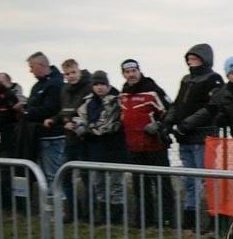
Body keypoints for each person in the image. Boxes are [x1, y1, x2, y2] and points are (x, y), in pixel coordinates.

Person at [161, 43, 223, 230]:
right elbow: (177, 104)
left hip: (203, 138)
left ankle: (214, 224)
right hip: (184, 139)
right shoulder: (186, 79)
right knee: (189, 181)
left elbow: (211, 108)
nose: (191, 62)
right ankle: (190, 224)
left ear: (204, 59)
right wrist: (167, 123)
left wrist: (186, 125)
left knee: (207, 181)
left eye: (195, 58)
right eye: (189, 59)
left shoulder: (214, 79)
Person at [122, 59, 175, 228]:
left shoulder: (152, 90)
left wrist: (158, 125)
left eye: (133, 71)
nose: (131, 74)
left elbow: (170, 111)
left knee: (162, 186)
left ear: (139, 71)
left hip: (155, 146)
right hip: (134, 148)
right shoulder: (123, 94)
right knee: (140, 188)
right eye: (127, 72)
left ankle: (168, 221)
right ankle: (144, 221)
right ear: (123, 74)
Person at [69, 71, 127, 224]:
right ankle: (103, 218)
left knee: (116, 185)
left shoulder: (117, 100)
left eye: (102, 84)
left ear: (108, 84)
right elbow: (78, 118)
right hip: (95, 150)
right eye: (96, 84)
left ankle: (116, 220)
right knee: (99, 185)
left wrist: (88, 129)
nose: (99, 88)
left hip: (114, 149)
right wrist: (80, 127)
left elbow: (108, 125)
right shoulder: (88, 102)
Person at [53, 59, 92, 220]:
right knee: (65, 175)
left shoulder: (89, 88)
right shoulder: (64, 90)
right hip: (69, 139)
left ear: (79, 71)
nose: (71, 76)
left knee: (86, 177)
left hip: (84, 139)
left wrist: (74, 122)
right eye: (67, 74)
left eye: (73, 72)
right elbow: (63, 111)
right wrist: (55, 120)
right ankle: (73, 211)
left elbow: (87, 111)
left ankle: (89, 214)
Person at [20, 52, 66, 180]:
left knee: (53, 176)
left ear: (41, 65)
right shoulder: (38, 85)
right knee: (43, 176)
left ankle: (56, 199)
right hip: (39, 135)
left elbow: (50, 109)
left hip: (52, 136)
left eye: (32, 66)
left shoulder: (56, 84)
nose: (30, 71)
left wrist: (27, 113)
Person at [0, 73, 20, 207]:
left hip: (8, 139)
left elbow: (8, 117)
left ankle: (14, 204)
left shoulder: (8, 96)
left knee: (8, 172)